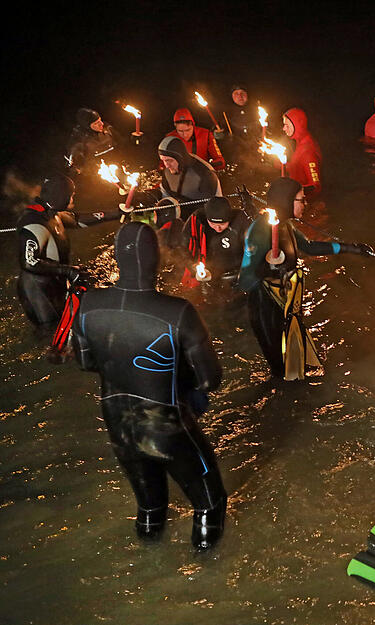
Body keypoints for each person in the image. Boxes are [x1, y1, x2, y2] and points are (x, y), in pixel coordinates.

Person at [71, 222, 227, 550]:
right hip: (167, 426)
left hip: (120, 426)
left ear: (117, 257)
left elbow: (85, 363)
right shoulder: (178, 312)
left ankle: (147, 554)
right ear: (155, 258)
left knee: (150, 507)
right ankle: (207, 569)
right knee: (209, 503)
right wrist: (181, 382)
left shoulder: (87, 305)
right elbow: (210, 379)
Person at [237, 177, 370, 379]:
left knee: (294, 358)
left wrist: (350, 248)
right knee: (280, 368)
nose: (305, 204)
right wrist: (266, 271)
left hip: (286, 301)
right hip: (266, 307)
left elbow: (309, 246)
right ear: (286, 201)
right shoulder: (259, 231)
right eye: (301, 199)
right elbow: (245, 280)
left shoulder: (284, 226)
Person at [16, 173, 127, 335]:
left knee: (67, 325)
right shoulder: (33, 221)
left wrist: (117, 213)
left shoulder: (52, 213)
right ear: (60, 196)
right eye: (71, 195)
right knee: (51, 332)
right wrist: (68, 271)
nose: (73, 198)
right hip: (37, 289)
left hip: (54, 280)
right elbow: (28, 262)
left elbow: (77, 220)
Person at [157, 135, 223, 239]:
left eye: (169, 160)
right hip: (177, 223)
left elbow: (217, 206)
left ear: (180, 158)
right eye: (163, 160)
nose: (166, 165)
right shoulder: (167, 173)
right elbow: (166, 198)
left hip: (201, 225)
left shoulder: (204, 173)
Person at [180, 195, 252, 286]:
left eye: (222, 224)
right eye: (213, 224)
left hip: (237, 272)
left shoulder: (240, 219)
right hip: (210, 272)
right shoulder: (197, 220)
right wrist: (195, 267)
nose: (218, 228)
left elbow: (254, 245)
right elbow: (183, 248)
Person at [283, 107, 323, 197]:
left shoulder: (308, 151)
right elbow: (298, 167)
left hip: (303, 202)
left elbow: (315, 186)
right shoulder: (300, 143)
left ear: (297, 124)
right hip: (295, 199)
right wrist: (277, 164)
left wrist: (293, 191)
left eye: (287, 125)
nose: (284, 128)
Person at [65, 108, 117, 173]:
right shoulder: (79, 142)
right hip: (98, 173)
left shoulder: (107, 129)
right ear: (87, 126)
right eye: (96, 123)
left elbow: (122, 144)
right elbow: (76, 168)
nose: (101, 124)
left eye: (100, 120)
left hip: (116, 167)